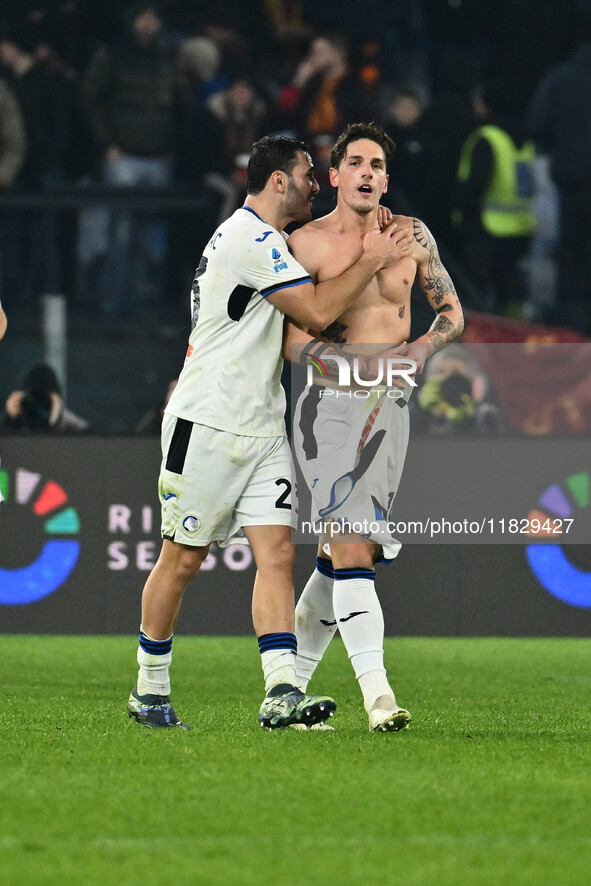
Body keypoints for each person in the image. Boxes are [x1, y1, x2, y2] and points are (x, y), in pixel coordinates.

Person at [126, 134, 413, 731]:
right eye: (309, 173)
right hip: (207, 420)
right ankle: (149, 686)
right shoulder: (248, 238)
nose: (315, 183)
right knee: (183, 558)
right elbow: (311, 312)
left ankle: (281, 688)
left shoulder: (270, 241)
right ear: (278, 180)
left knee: (278, 554)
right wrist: (371, 259)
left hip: (262, 423)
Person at [285, 121, 464, 732]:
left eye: (378, 165)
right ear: (333, 176)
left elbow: (452, 313)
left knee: (338, 555)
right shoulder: (305, 245)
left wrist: (421, 349)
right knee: (354, 543)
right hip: (329, 412)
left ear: (387, 177)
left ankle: (287, 694)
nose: (367, 172)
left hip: (391, 409)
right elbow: (291, 345)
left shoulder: (413, 237)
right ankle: (378, 698)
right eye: (355, 162)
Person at [0, 363, 89, 433]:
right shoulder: (16, 420)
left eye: (44, 399)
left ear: (57, 401)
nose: (37, 404)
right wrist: (9, 418)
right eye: (31, 399)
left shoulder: (75, 428)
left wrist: (56, 420)